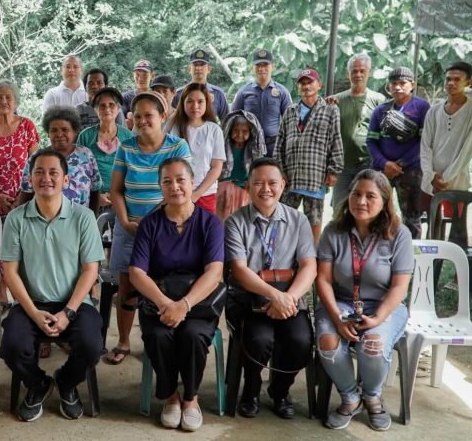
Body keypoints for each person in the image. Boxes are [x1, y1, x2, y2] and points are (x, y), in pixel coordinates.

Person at [0, 148, 104, 422]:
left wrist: (68, 312)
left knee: (92, 345)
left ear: (66, 179)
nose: (46, 178)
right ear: (29, 179)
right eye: (39, 172)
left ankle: (66, 381)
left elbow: (90, 270)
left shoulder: (83, 217)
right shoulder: (16, 219)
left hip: (75, 304)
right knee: (11, 346)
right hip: (31, 303)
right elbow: (10, 272)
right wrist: (34, 312)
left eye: (53, 172)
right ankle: (38, 384)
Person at [127, 157, 224, 432]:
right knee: (159, 335)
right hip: (158, 303)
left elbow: (214, 272)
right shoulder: (150, 224)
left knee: (193, 335)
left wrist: (184, 304)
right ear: (160, 186)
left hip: (199, 304)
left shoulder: (210, 223)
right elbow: (136, 272)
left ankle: (191, 399)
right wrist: (166, 304)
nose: (175, 186)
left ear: (192, 182)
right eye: (167, 181)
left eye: (181, 180)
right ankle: (171, 397)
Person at [315, 169, 412, 431]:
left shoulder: (399, 234)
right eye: (356, 194)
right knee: (327, 340)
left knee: (373, 343)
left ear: (385, 201)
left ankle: (372, 397)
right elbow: (322, 280)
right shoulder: (333, 231)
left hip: (383, 306)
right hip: (341, 303)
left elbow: (400, 286)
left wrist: (377, 318)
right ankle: (350, 398)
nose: (361, 201)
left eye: (370, 196)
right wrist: (337, 318)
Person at [226, 157, 317, 420]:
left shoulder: (298, 220)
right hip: (251, 299)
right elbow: (239, 270)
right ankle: (251, 390)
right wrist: (274, 295)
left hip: (290, 298)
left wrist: (289, 298)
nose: (266, 189)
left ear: (283, 184)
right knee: (259, 340)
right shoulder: (235, 222)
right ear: (248, 186)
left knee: (301, 341)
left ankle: (280, 390)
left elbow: (309, 266)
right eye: (258, 183)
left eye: (272, 183)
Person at [104, 92, 191, 366]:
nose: (142, 121)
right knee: (127, 284)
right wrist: (125, 222)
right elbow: (116, 190)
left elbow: (180, 190)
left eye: (149, 115)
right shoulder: (126, 147)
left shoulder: (178, 147)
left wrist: (151, 224)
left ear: (163, 116)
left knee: (162, 284)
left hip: (166, 228)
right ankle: (123, 341)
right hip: (129, 226)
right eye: (137, 116)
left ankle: (158, 341)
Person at [274, 68, 342, 242]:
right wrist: (280, 170)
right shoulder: (290, 111)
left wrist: (333, 170)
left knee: (314, 221)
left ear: (319, 85)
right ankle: (284, 251)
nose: (306, 86)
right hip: (291, 177)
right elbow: (280, 142)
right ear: (298, 88)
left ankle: (311, 254)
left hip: (315, 176)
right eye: (302, 83)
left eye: (310, 82)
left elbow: (335, 140)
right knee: (284, 219)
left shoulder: (330, 110)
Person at [367, 67, 431, 238]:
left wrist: (400, 164)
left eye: (403, 83)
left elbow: (424, 142)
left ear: (412, 85)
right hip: (383, 171)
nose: (397, 87)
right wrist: (385, 163)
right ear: (388, 86)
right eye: (394, 83)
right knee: (377, 212)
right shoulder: (380, 110)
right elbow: (371, 141)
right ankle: (379, 247)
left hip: (411, 171)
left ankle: (411, 250)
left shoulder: (422, 107)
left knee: (412, 216)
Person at [420, 61, 472, 208]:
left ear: (468, 83)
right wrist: (430, 176)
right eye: (448, 79)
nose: (451, 83)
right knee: (429, 221)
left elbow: (468, 149)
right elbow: (425, 146)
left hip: (456, 183)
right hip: (430, 184)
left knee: (456, 223)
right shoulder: (434, 111)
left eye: (457, 79)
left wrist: (444, 180)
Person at [0, 80, 41, 217]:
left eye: (8, 97)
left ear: (15, 102)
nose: (3, 101)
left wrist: (21, 198)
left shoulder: (27, 126)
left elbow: (35, 165)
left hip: (24, 199)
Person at [329, 53, 387, 209]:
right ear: (348, 74)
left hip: (368, 164)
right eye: (354, 71)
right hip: (342, 166)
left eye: (362, 71)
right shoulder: (337, 100)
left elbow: (384, 133)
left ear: (369, 72)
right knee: (340, 208)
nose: (358, 75)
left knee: (367, 207)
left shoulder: (379, 100)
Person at [17, 106, 102, 209]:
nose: (59, 134)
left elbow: (95, 191)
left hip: (81, 218)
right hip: (44, 218)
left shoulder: (86, 155)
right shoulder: (36, 158)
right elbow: (25, 194)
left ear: (75, 132)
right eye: (54, 130)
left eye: (65, 130)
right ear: (48, 133)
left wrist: (92, 216)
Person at [164, 82, 225, 213]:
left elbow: (216, 167)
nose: (195, 106)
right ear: (183, 103)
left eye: (200, 101)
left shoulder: (214, 130)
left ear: (207, 103)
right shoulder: (173, 127)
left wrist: (197, 194)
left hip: (205, 194)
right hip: (177, 192)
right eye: (190, 101)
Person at [77, 87, 133, 213]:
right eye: (102, 106)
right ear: (96, 109)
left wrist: (119, 194)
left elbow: (132, 170)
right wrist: (96, 196)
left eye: (111, 105)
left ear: (118, 108)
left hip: (123, 198)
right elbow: (80, 171)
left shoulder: (128, 136)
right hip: (93, 198)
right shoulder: (85, 136)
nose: (107, 109)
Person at [232, 49, 291, 156]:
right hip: (249, 145)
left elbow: (289, 121)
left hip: (274, 146)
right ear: (253, 68)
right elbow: (233, 119)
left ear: (273, 66)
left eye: (265, 65)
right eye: (258, 65)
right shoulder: (243, 91)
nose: (261, 68)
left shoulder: (282, 92)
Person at [216, 110, 266, 221]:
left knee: (241, 220)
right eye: (236, 130)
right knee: (222, 219)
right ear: (229, 130)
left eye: (244, 131)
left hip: (245, 189)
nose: (239, 134)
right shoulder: (223, 148)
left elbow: (258, 171)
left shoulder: (253, 151)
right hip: (223, 191)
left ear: (251, 132)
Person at [175, 48, 229, 121]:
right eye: (195, 65)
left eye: (202, 65)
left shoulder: (218, 94)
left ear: (209, 69)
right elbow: (173, 121)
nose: (198, 68)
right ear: (189, 69)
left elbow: (226, 121)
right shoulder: (179, 94)